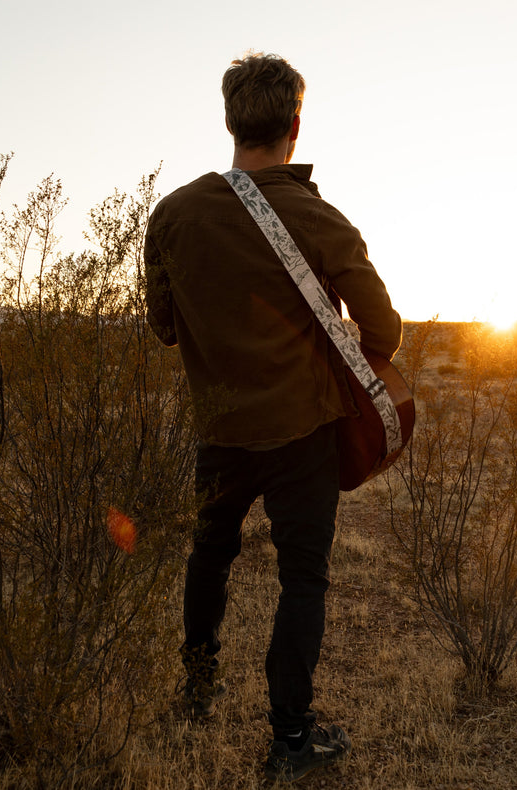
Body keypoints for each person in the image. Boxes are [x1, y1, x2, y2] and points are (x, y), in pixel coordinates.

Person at [143, 52, 402, 783]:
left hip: (218, 429)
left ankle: (197, 688)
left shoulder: (172, 215)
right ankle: (290, 739)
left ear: (230, 122)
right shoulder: (317, 216)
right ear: (295, 125)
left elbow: (163, 324)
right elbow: (384, 331)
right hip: (304, 434)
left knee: (209, 555)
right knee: (302, 580)